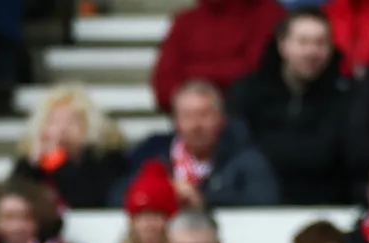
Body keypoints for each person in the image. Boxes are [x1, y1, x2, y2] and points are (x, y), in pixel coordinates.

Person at [229, 9, 350, 205]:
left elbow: (340, 156)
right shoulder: (248, 91)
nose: (312, 52)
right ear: (283, 45)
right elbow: (238, 149)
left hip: (326, 205)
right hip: (254, 204)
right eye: (303, 42)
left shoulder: (346, 95)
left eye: (320, 43)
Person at [114, 79, 279, 210]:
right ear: (175, 121)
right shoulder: (151, 154)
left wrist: (204, 203)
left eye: (204, 115)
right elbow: (115, 197)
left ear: (222, 119)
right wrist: (161, 193)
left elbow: (263, 204)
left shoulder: (247, 160)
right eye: (187, 116)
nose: (196, 125)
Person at [11, 84, 129, 210]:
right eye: (54, 121)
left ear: (89, 125)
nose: (62, 129)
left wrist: (61, 161)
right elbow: (13, 198)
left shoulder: (107, 159)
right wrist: (32, 164)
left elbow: (87, 202)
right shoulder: (31, 165)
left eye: (71, 121)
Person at [153, 0, 284, 112]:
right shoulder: (185, 22)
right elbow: (163, 87)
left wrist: (192, 76)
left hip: (251, 120)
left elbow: (256, 73)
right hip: (191, 118)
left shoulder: (268, 14)